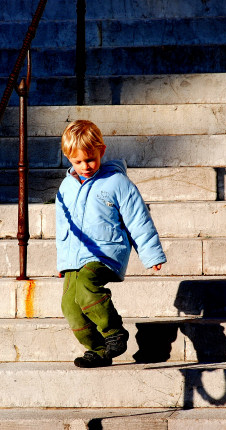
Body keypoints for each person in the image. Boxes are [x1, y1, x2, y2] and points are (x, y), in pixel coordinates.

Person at [56, 119, 166, 368]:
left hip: (106, 253)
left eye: (90, 159)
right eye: (78, 162)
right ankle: (98, 350)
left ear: (101, 151)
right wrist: (63, 260)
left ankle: (114, 332)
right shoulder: (66, 187)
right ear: (68, 158)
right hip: (75, 258)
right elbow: (63, 227)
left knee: (86, 283)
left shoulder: (117, 182)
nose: (85, 166)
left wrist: (151, 255)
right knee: (69, 306)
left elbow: (138, 219)